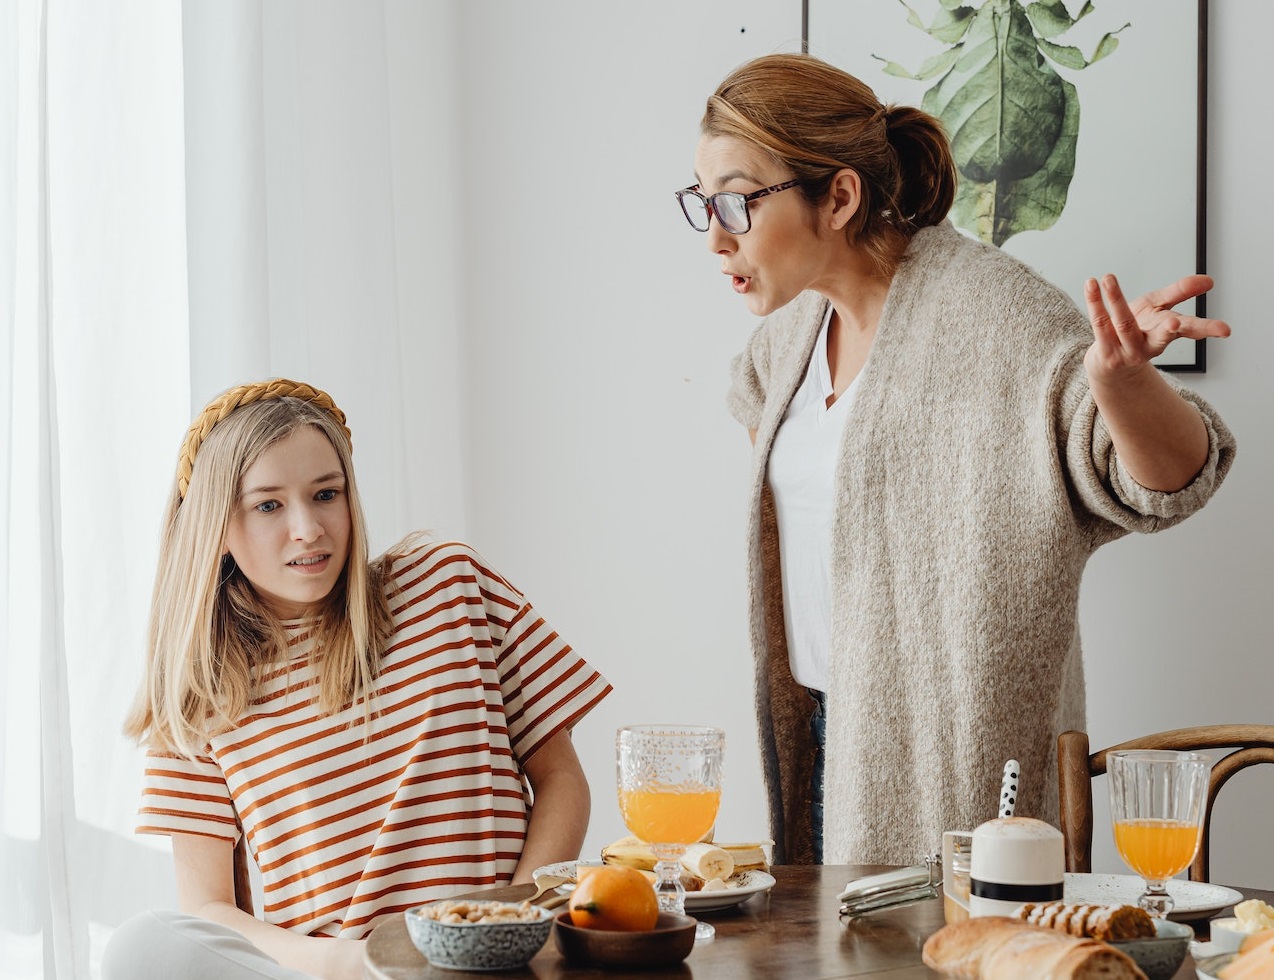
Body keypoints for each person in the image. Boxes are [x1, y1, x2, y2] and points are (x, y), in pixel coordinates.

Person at [675, 53, 1236, 867]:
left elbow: (1168, 482)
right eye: (702, 202)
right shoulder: (784, 344)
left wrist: (1120, 383)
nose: (717, 236)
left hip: (946, 758)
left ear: (838, 196)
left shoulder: (997, 315)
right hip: (819, 735)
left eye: (736, 200)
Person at [103, 379, 611, 980]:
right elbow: (211, 911)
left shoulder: (447, 584)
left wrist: (505, 927)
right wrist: (346, 961)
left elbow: (560, 779)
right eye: (268, 504)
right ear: (215, 528)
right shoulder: (200, 693)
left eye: (326, 494)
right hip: (342, 972)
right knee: (141, 947)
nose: (308, 529)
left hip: (505, 960)